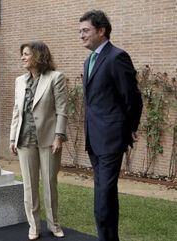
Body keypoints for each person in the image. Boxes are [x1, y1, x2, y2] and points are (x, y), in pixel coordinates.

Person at [79, 10, 143, 241]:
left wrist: (129, 129)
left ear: (101, 30)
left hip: (111, 139)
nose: (81, 35)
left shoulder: (117, 57)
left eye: (85, 30)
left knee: (104, 196)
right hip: (94, 139)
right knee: (104, 193)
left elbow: (133, 98)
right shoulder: (89, 61)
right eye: (80, 31)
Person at [9, 41, 67, 240]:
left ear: (38, 56)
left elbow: (62, 110)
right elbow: (17, 111)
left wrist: (59, 136)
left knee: (50, 183)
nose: (23, 58)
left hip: (49, 139)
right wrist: (12, 137)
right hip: (24, 139)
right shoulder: (19, 81)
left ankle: (54, 224)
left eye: (26, 54)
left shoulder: (55, 78)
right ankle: (34, 226)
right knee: (29, 185)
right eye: (22, 54)